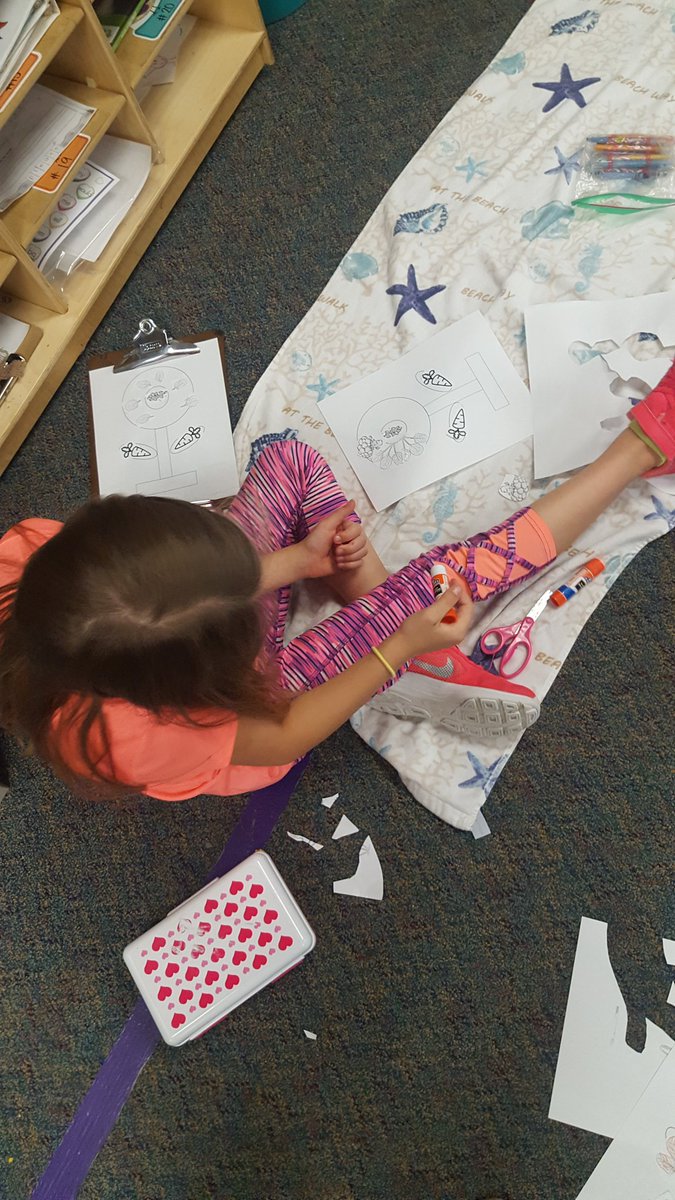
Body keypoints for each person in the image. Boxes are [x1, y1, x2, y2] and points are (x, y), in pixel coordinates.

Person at [0, 365, 673, 802]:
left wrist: (293, 563)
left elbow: (187, 595)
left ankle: (381, 603)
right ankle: (640, 449)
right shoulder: (153, 731)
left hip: (193, 649)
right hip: (264, 711)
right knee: (442, 581)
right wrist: (395, 649)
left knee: (287, 456)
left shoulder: (36, 556)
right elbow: (286, 734)